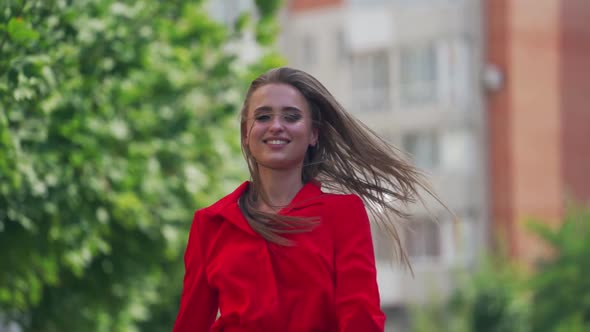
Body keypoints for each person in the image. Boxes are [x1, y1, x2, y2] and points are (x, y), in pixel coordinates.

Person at [173, 67, 433, 332]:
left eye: (292, 117)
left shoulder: (343, 215)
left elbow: (360, 318)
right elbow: (190, 324)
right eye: (263, 116)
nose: (276, 126)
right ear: (245, 133)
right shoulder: (210, 224)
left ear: (313, 134)